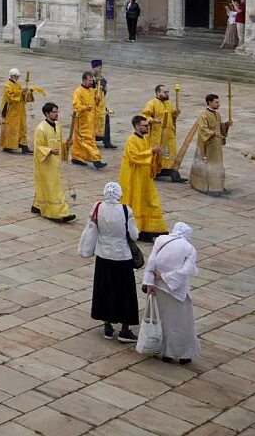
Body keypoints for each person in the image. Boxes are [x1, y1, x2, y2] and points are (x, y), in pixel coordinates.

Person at [83, 182, 139, 343]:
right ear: (119, 194)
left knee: (105, 289)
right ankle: (125, 330)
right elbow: (134, 235)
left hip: (103, 255)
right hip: (122, 257)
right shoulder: (125, 210)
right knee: (125, 293)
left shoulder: (98, 207)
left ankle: (107, 325)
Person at [142, 223, 200, 364]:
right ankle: (183, 353)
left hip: (158, 288)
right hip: (177, 290)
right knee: (181, 323)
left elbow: (151, 261)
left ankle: (165, 351)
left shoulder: (161, 239)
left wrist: (149, 282)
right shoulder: (189, 248)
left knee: (163, 320)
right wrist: (165, 276)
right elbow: (186, 270)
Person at [120, 114, 167, 240]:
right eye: (145, 126)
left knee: (149, 201)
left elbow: (147, 155)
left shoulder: (144, 139)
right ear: (137, 126)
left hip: (145, 176)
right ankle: (138, 229)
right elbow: (134, 157)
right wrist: (151, 152)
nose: (148, 128)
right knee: (137, 202)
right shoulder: (131, 140)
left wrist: (155, 154)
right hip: (134, 177)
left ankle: (150, 228)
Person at [32, 102, 75, 222]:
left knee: (51, 186)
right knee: (52, 188)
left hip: (55, 163)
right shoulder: (40, 129)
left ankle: (37, 205)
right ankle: (57, 212)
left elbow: (59, 144)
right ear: (47, 113)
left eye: (57, 111)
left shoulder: (58, 125)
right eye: (54, 112)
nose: (57, 114)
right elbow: (37, 147)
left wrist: (67, 145)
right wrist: (50, 151)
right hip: (44, 163)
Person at [188, 94, 229, 196]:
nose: (218, 104)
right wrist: (213, 133)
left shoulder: (217, 114)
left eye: (218, 102)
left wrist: (226, 125)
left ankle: (217, 185)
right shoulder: (203, 115)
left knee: (217, 163)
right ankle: (206, 186)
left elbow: (219, 127)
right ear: (209, 102)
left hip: (216, 145)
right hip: (207, 144)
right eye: (216, 102)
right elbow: (203, 129)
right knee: (208, 164)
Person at [142, 85, 183, 183]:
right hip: (157, 134)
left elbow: (171, 116)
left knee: (170, 154)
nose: (167, 94)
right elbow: (144, 116)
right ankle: (156, 171)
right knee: (158, 154)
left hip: (169, 134)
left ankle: (173, 173)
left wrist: (175, 114)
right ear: (157, 93)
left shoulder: (168, 103)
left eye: (168, 92)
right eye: (165, 92)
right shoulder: (151, 103)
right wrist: (153, 120)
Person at [70, 71, 106, 168]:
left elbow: (96, 102)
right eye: (89, 80)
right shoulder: (78, 91)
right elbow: (76, 105)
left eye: (92, 80)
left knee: (80, 140)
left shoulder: (91, 90)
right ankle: (96, 159)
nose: (91, 82)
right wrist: (85, 108)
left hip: (90, 120)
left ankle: (77, 157)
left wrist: (99, 96)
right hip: (82, 121)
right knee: (87, 140)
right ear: (84, 80)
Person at [0, 68, 29, 154]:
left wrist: (27, 92)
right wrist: (21, 92)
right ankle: (8, 145)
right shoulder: (7, 85)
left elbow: (22, 95)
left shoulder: (18, 84)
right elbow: (10, 97)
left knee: (22, 127)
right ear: (12, 76)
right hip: (11, 111)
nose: (17, 78)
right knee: (11, 128)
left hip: (20, 110)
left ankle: (23, 145)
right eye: (16, 76)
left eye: (18, 77)